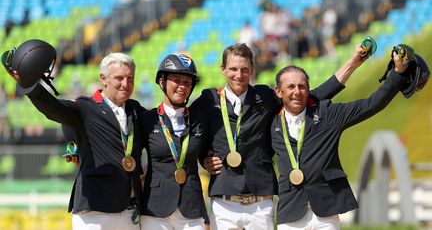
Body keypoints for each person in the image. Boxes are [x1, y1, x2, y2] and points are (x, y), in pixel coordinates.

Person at [195, 42, 368, 230]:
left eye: (245, 69)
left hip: (261, 202)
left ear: (252, 70)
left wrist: (352, 63)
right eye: (233, 69)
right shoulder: (208, 100)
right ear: (223, 69)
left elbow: (312, 96)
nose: (239, 75)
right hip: (223, 201)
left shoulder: (265, 97)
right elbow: (190, 131)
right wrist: (203, 158)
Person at [271, 45, 420, 229]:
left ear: (308, 90)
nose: (297, 92)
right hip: (291, 211)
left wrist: (397, 73)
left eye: (302, 87)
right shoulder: (270, 122)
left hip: (325, 213)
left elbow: (371, 104)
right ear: (279, 92)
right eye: (291, 87)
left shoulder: (328, 114)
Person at [2, 48, 144, 229]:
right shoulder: (85, 109)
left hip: (129, 210)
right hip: (94, 211)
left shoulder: (137, 110)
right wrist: (28, 84)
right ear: (103, 79)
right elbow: (53, 108)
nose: (126, 83)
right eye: (119, 78)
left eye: (130, 78)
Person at [140, 53, 209, 230]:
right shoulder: (147, 119)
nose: (182, 87)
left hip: (191, 208)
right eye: (176, 80)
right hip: (155, 210)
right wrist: (77, 145)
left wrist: (208, 159)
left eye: (187, 82)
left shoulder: (201, 119)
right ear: (162, 82)